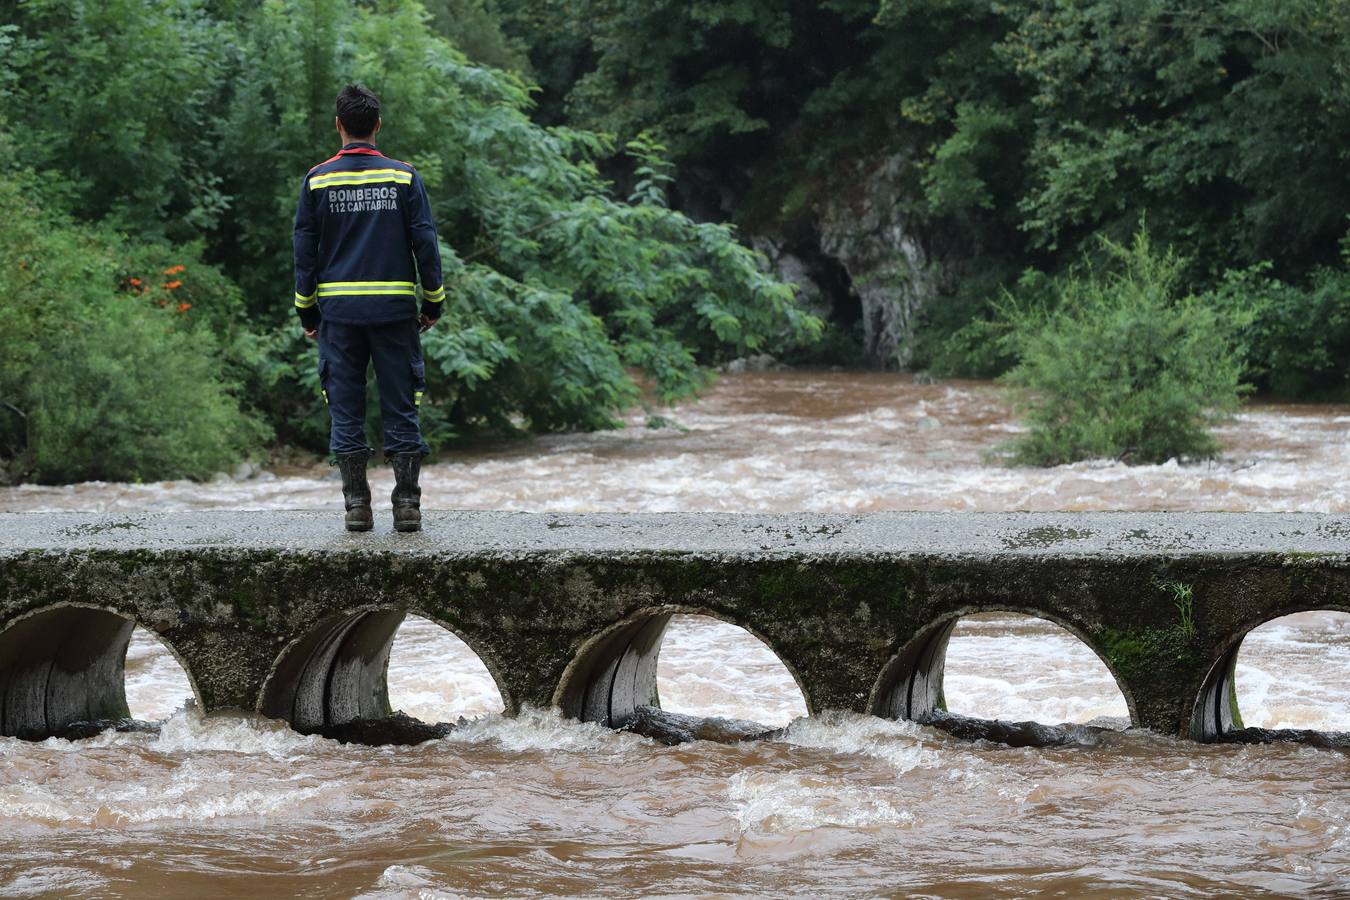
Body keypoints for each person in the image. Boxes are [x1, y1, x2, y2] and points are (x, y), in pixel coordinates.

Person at [293, 84, 445, 533]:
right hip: (396, 314)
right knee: (401, 407)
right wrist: (433, 301)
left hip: (339, 317)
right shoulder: (403, 177)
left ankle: (357, 506)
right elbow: (425, 241)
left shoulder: (318, 179)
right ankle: (407, 507)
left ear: (338, 125)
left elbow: (305, 250)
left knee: (344, 408)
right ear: (377, 125)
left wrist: (307, 312)